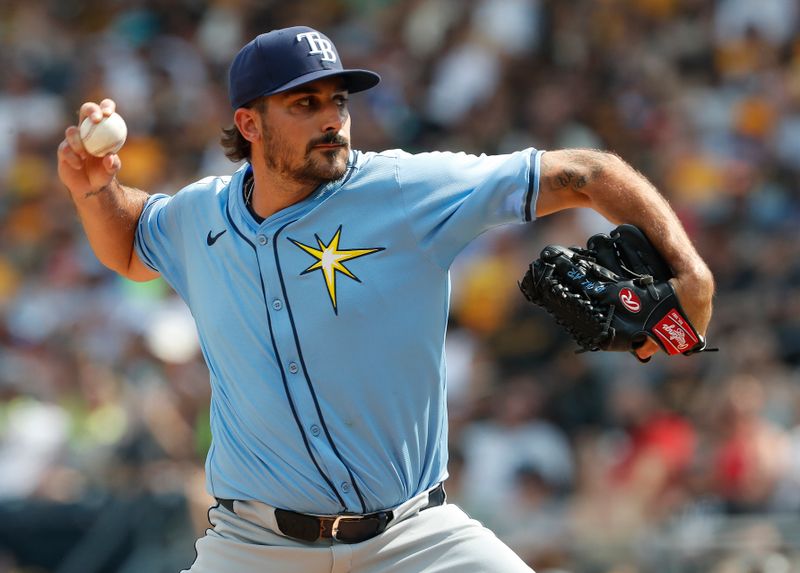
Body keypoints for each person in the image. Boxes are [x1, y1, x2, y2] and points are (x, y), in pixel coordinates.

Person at [56, 25, 714, 573]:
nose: (332, 120)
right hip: (253, 547)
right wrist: (94, 191)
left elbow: (588, 173)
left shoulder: (404, 190)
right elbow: (131, 243)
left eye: (337, 100)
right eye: (304, 104)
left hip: (414, 540)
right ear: (247, 122)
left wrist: (690, 272)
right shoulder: (201, 216)